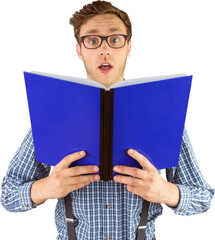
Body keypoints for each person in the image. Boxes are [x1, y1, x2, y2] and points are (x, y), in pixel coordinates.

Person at [1, 1, 214, 239]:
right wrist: (45, 188)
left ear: (129, 47)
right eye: (92, 41)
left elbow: (203, 197)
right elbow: (8, 195)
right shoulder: (54, 115)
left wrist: (166, 192)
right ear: (79, 50)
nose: (105, 50)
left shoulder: (162, 115)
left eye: (115, 39)